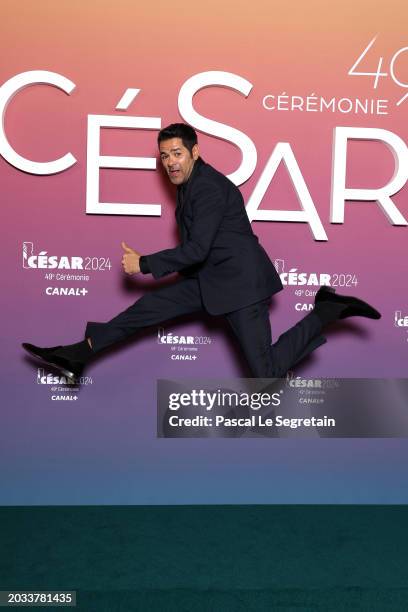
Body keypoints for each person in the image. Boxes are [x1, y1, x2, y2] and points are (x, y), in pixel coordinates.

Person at [22, 123, 381, 382]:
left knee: (265, 373)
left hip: (241, 286)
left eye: (177, 153)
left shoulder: (207, 188)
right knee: (145, 309)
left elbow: (197, 248)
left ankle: (326, 310)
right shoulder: (190, 183)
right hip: (209, 278)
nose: (171, 162)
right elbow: (202, 250)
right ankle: (76, 356)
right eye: (164, 156)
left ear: (195, 151)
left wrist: (144, 263)